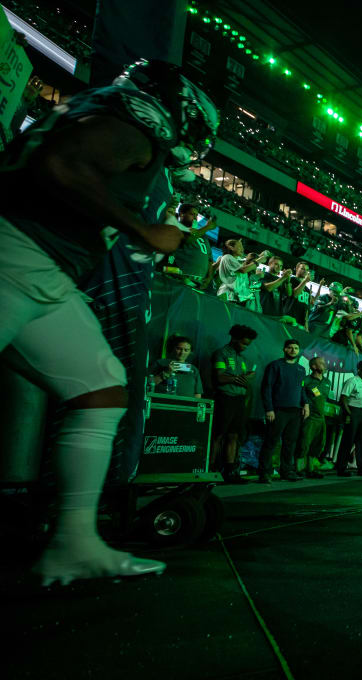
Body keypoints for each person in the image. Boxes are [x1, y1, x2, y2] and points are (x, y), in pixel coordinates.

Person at [0, 58, 216, 585]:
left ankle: (74, 543)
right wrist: (142, 231)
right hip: (15, 253)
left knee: (100, 389)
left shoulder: (101, 108)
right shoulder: (132, 127)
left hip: (44, 272)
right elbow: (63, 167)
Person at [212, 324, 258, 484]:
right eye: (244, 343)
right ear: (234, 338)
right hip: (225, 398)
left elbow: (239, 378)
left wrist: (243, 377)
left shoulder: (243, 359)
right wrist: (239, 378)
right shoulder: (221, 353)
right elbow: (220, 377)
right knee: (217, 435)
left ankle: (230, 472)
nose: (245, 347)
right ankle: (210, 471)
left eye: (248, 345)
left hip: (239, 401)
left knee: (234, 436)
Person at [258, 339, 309, 483]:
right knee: (271, 441)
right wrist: (269, 409)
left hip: (295, 412)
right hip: (278, 410)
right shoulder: (275, 366)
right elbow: (266, 388)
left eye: (296, 348)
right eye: (290, 348)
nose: (293, 350)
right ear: (284, 349)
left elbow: (302, 389)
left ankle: (287, 471)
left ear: (299, 351)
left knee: (290, 443)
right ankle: (264, 473)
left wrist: (306, 404)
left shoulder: (301, 369)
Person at [335, 360, 362, 476]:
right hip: (353, 411)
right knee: (348, 440)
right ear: (359, 369)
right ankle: (341, 468)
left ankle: (361, 468)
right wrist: (349, 414)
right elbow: (343, 398)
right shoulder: (352, 381)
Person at [299, 356, 331, 478]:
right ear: (313, 366)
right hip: (310, 417)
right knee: (304, 442)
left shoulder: (327, 382)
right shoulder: (306, 380)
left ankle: (310, 469)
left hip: (321, 418)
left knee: (318, 444)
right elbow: (301, 396)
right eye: (321, 363)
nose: (325, 365)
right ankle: (299, 469)